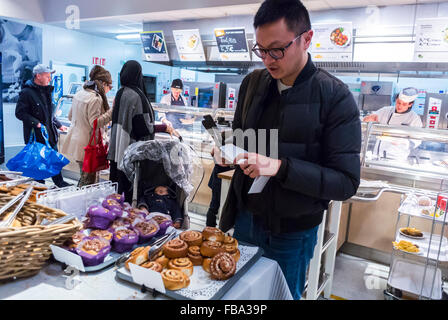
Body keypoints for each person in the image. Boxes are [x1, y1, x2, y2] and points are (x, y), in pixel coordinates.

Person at [214, 0, 361, 299]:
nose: (268, 59)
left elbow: (345, 182)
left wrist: (279, 167)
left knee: (282, 295)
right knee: (238, 295)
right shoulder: (253, 83)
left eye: (277, 49)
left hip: (292, 232)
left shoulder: (335, 96)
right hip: (245, 218)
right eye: (261, 50)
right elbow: (243, 138)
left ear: (306, 38)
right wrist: (226, 151)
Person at [108, 60, 174, 203]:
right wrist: (163, 127)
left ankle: (117, 216)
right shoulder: (137, 96)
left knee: (117, 190)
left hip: (117, 148)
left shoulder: (121, 93)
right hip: (131, 152)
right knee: (132, 192)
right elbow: (143, 128)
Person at [15, 64, 71, 188]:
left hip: (50, 134)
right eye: (47, 76)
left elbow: (49, 114)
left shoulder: (46, 91)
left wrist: (59, 125)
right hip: (36, 136)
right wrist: (36, 123)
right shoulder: (26, 93)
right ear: (38, 76)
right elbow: (19, 113)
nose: (50, 79)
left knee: (54, 159)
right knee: (38, 164)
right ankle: (39, 187)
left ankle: (59, 182)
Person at [61, 65, 113, 187]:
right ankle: (82, 203)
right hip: (88, 146)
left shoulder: (79, 93)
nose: (109, 90)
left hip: (77, 143)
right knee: (88, 181)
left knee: (84, 176)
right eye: (109, 86)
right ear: (104, 84)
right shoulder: (96, 98)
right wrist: (111, 112)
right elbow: (94, 123)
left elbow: (69, 117)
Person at [363, 87, 423, 161]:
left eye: (404, 104)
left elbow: (417, 141)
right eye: (398, 102)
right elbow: (367, 119)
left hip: (396, 157)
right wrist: (368, 119)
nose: (400, 106)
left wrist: (403, 141)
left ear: (410, 104)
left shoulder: (414, 118)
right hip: (377, 154)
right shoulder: (385, 110)